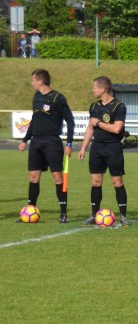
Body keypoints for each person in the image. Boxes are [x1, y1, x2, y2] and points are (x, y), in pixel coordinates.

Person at [18, 69, 73, 222]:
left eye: (33, 80)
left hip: (52, 142)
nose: (32, 83)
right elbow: (34, 120)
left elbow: (70, 121)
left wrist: (69, 143)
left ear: (40, 82)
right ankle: (30, 210)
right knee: (33, 177)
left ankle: (63, 213)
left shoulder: (58, 98)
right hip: (36, 143)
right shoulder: (36, 97)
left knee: (57, 177)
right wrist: (25, 140)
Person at [78, 76, 130, 227]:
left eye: (94, 87)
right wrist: (83, 147)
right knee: (95, 181)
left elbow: (116, 129)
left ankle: (123, 216)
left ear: (103, 89)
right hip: (97, 148)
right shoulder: (94, 106)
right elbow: (90, 128)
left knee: (117, 181)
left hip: (113, 147)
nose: (93, 90)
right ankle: (94, 214)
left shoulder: (119, 106)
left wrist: (99, 123)